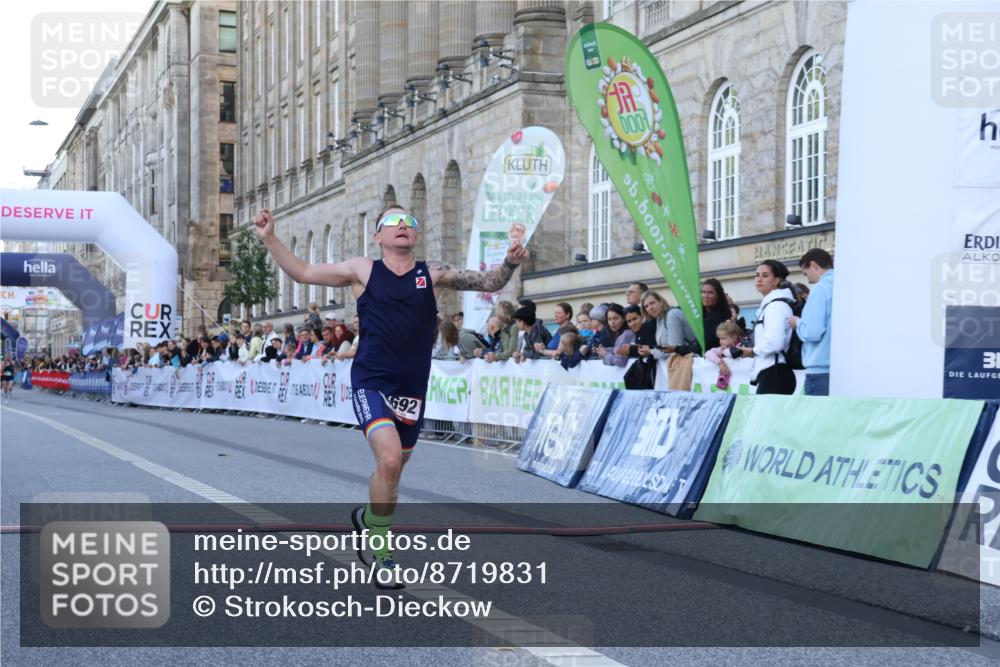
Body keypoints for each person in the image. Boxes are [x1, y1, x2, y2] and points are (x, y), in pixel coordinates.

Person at [254, 204, 526, 585]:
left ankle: (368, 519)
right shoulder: (362, 270)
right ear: (378, 235)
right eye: (392, 222)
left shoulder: (433, 273)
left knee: (393, 473)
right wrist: (270, 238)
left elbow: (489, 282)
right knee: (390, 457)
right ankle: (381, 553)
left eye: (409, 221)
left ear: (415, 234)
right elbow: (304, 272)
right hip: (372, 381)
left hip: (412, 387)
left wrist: (510, 262)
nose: (402, 226)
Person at [731, 260, 797, 394]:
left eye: (765, 275)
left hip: (776, 373)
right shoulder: (770, 305)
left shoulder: (775, 306)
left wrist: (752, 351)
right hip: (772, 372)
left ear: (776, 280)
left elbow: (775, 343)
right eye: (757, 275)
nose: (759, 279)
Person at [789, 248, 834, 396]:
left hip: (819, 367)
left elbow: (812, 332)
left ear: (814, 265)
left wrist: (798, 324)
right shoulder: (843, 285)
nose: (808, 280)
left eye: (806, 273)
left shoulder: (820, 288)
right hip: (838, 367)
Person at [639, 290, 701, 361]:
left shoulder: (672, 315)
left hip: (693, 360)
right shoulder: (659, 318)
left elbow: (673, 349)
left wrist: (651, 351)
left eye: (652, 303)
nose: (650, 308)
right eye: (646, 306)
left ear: (661, 302)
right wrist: (650, 350)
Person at [706, 321, 745, 390]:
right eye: (719, 338)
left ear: (734, 337)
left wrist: (723, 353)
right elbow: (708, 353)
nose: (720, 341)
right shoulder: (722, 348)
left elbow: (732, 353)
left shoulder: (742, 346)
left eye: (723, 338)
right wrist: (720, 362)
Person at [701, 278, 733, 351]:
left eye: (710, 293)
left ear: (718, 295)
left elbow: (705, 342)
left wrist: (680, 349)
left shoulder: (720, 317)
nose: (706, 296)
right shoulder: (701, 314)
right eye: (703, 292)